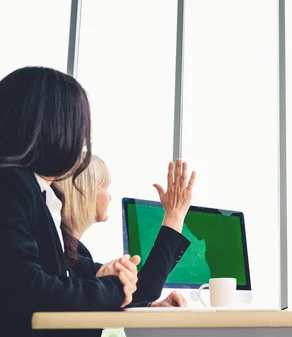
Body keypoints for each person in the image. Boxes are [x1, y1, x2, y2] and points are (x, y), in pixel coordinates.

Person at [0, 66, 138, 336]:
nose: (81, 144)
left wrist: (103, 280)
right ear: (55, 129)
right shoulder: (13, 185)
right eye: (79, 130)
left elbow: (53, 283)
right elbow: (27, 288)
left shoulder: (41, 194)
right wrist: (110, 287)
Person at [54, 155, 195, 307]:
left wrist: (150, 306)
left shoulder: (70, 251)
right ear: (85, 190)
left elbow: (97, 296)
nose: (110, 196)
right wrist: (175, 215)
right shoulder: (65, 255)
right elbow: (143, 289)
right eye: (105, 187)